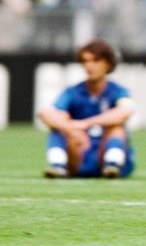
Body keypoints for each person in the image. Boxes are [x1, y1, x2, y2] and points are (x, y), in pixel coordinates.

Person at [37, 39, 135, 179]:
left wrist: (85, 124)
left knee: (116, 128)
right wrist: (70, 128)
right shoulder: (72, 92)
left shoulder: (118, 91)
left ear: (107, 63)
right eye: (85, 61)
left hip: (103, 150)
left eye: (95, 60)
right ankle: (58, 166)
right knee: (59, 125)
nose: (89, 66)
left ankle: (112, 165)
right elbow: (45, 113)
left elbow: (125, 112)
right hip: (80, 153)